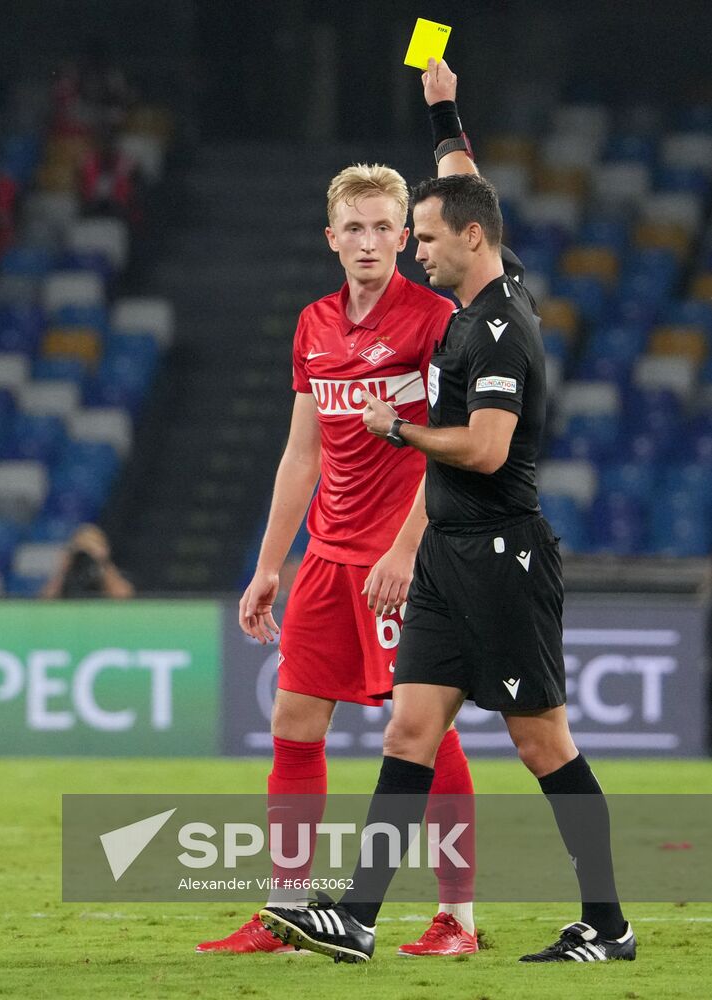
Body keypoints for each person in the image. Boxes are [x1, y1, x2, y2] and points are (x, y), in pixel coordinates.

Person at [259, 59, 633, 965]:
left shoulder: (496, 325)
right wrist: (442, 108)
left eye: (420, 235)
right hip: (452, 557)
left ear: (466, 239)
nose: (409, 250)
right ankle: (355, 916)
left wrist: (399, 430)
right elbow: (467, 183)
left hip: (500, 553)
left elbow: (488, 448)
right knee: (408, 731)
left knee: (543, 744)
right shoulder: (472, 299)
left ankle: (607, 923)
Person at [196, 160, 482, 957]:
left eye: (382, 226)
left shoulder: (433, 320)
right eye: (351, 227)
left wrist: (403, 549)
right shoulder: (314, 323)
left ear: (403, 234)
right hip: (324, 558)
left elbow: (452, 450)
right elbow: (302, 453)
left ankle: (457, 916)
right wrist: (269, 565)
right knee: (291, 722)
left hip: (405, 559)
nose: (366, 241)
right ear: (331, 238)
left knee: (422, 731)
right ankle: (288, 912)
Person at [41, 524, 134, 599]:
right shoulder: (71, 570)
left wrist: (102, 561)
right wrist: (65, 566)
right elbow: (45, 602)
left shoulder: (109, 571)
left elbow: (125, 598)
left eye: (94, 542)